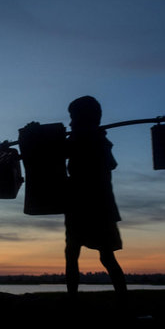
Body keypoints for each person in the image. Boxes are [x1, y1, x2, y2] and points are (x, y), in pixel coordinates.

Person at [64, 96, 127, 300]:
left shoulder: (97, 141)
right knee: (73, 252)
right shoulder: (81, 139)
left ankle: (122, 298)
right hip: (81, 204)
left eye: (74, 118)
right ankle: (73, 298)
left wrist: (91, 138)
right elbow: (51, 150)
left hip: (97, 206)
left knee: (104, 256)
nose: (71, 123)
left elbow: (110, 164)